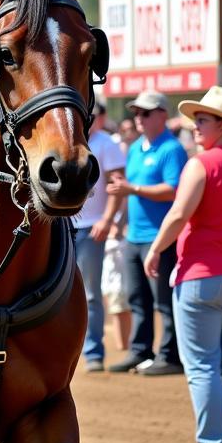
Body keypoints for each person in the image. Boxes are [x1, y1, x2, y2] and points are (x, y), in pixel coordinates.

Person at [142, 87, 222, 443]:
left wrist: (155, 249)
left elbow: (177, 216)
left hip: (202, 277)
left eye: (202, 120)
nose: (195, 127)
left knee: (203, 366)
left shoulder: (201, 164)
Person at [106, 90, 188, 375]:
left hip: (160, 237)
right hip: (135, 235)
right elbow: (130, 192)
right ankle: (140, 351)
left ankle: (170, 356)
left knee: (164, 301)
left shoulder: (171, 149)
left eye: (146, 113)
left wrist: (132, 189)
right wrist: (121, 220)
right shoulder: (137, 148)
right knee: (137, 298)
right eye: (136, 112)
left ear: (163, 115)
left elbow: (174, 191)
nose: (139, 118)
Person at [73, 100, 125, 372]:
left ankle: (93, 351)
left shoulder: (106, 143)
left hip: (92, 227)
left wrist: (108, 219)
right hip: (63, 227)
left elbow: (117, 186)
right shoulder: (69, 136)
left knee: (90, 294)